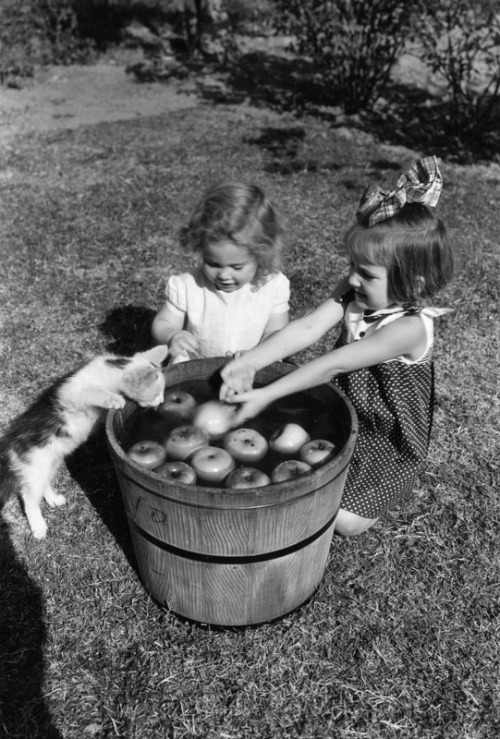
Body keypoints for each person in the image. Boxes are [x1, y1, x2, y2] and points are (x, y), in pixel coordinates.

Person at [220, 157, 454, 537]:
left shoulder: (409, 328)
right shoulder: (354, 293)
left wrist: (267, 394)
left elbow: (333, 365)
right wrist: (251, 361)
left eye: (366, 273)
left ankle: (388, 482)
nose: (350, 278)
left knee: (345, 522)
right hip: (347, 405)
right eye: (352, 265)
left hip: (386, 431)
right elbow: (309, 326)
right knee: (299, 461)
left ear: (412, 283)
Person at [152, 181, 290, 363]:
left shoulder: (273, 286)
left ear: (260, 254)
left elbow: (276, 332)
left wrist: (258, 354)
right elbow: (163, 323)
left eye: (237, 267)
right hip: (193, 371)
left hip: (251, 368)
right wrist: (172, 336)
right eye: (213, 263)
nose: (224, 275)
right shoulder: (188, 286)